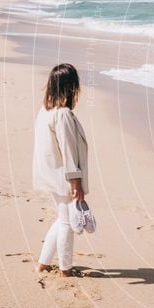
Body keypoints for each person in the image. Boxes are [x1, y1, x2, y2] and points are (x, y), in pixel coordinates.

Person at [32, 63, 89, 277]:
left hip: (50, 175)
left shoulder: (45, 111)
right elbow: (67, 150)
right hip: (62, 177)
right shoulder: (62, 114)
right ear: (70, 87)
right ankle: (65, 268)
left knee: (61, 218)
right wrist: (76, 182)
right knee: (67, 222)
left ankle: (43, 263)